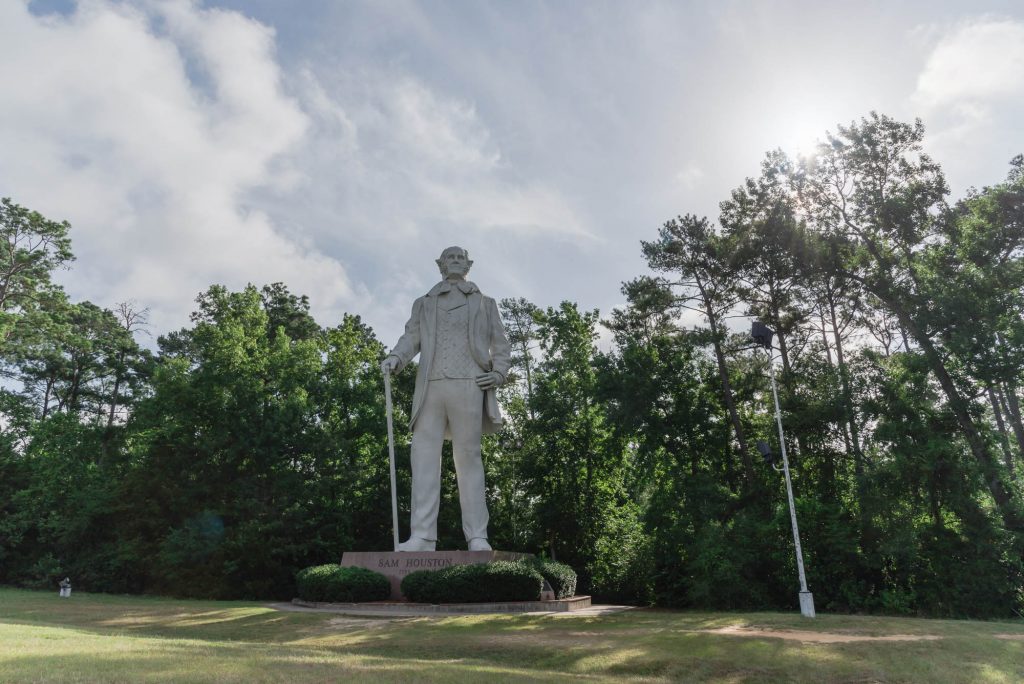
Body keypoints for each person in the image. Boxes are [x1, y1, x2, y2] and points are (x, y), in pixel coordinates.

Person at [382, 246, 511, 551]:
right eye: (449, 257)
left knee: (468, 458)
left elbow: (500, 344)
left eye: (459, 257)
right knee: (424, 459)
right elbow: (411, 337)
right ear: (440, 265)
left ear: (469, 264)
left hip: (469, 383)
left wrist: (499, 373)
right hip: (431, 386)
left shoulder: (485, 303)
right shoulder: (424, 304)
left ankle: (478, 536)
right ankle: (422, 536)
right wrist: (396, 357)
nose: (454, 261)